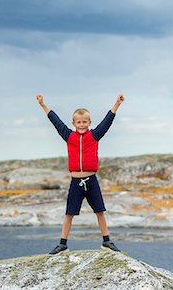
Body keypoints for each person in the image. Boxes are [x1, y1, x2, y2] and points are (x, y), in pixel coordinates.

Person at [36, 93, 125, 255]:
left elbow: (107, 121)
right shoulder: (69, 136)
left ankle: (107, 241)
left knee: (100, 211)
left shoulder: (94, 135)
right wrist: (43, 104)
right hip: (75, 182)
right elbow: (55, 121)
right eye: (79, 122)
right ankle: (62, 244)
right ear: (74, 123)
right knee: (69, 213)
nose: (82, 124)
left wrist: (116, 104)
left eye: (85, 122)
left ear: (89, 123)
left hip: (91, 180)